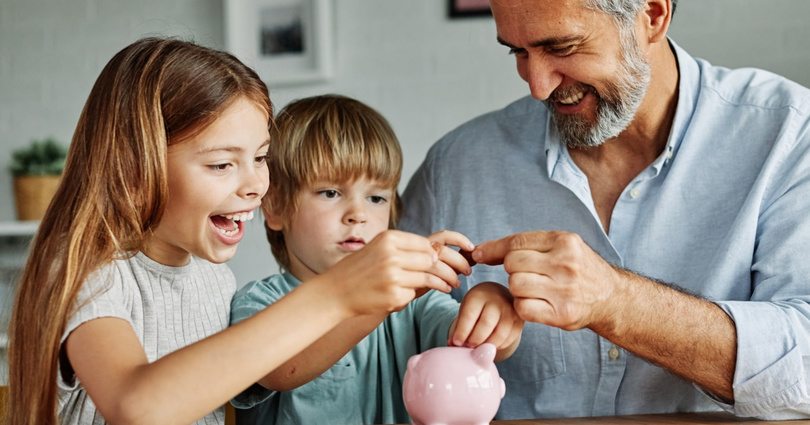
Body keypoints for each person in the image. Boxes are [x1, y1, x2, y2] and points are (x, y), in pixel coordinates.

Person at [6, 39, 458, 425]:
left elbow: (279, 368)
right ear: (135, 168)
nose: (256, 185)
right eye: (222, 164)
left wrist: (382, 295)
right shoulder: (83, 272)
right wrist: (338, 293)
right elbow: (135, 407)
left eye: (260, 158)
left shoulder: (212, 279)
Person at [400, 0, 810, 420]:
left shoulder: (791, 135)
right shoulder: (455, 166)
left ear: (652, 16)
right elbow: (386, 350)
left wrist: (615, 302)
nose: (538, 86)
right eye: (519, 52)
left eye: (562, 47)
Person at [229, 94, 524, 425]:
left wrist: (491, 310)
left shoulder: (414, 307)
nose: (358, 214)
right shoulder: (257, 303)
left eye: (376, 198)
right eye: (330, 193)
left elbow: (476, 346)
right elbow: (279, 371)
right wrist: (379, 302)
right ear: (275, 207)